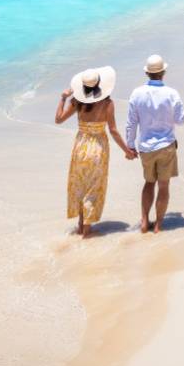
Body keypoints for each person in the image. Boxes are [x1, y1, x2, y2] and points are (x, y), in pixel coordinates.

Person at [55, 66, 136, 238]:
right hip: (98, 147)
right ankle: (87, 230)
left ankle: (80, 226)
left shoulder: (77, 102)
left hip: (80, 146)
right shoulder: (107, 103)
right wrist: (127, 151)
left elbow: (59, 120)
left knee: (80, 184)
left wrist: (63, 98)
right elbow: (113, 130)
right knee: (94, 187)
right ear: (100, 85)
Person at [126, 54, 184, 234]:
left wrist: (130, 145)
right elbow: (181, 120)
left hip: (145, 147)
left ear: (147, 73)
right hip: (166, 145)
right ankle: (159, 225)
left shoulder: (136, 93)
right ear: (163, 72)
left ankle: (144, 221)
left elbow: (131, 122)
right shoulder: (172, 93)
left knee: (148, 183)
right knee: (164, 185)